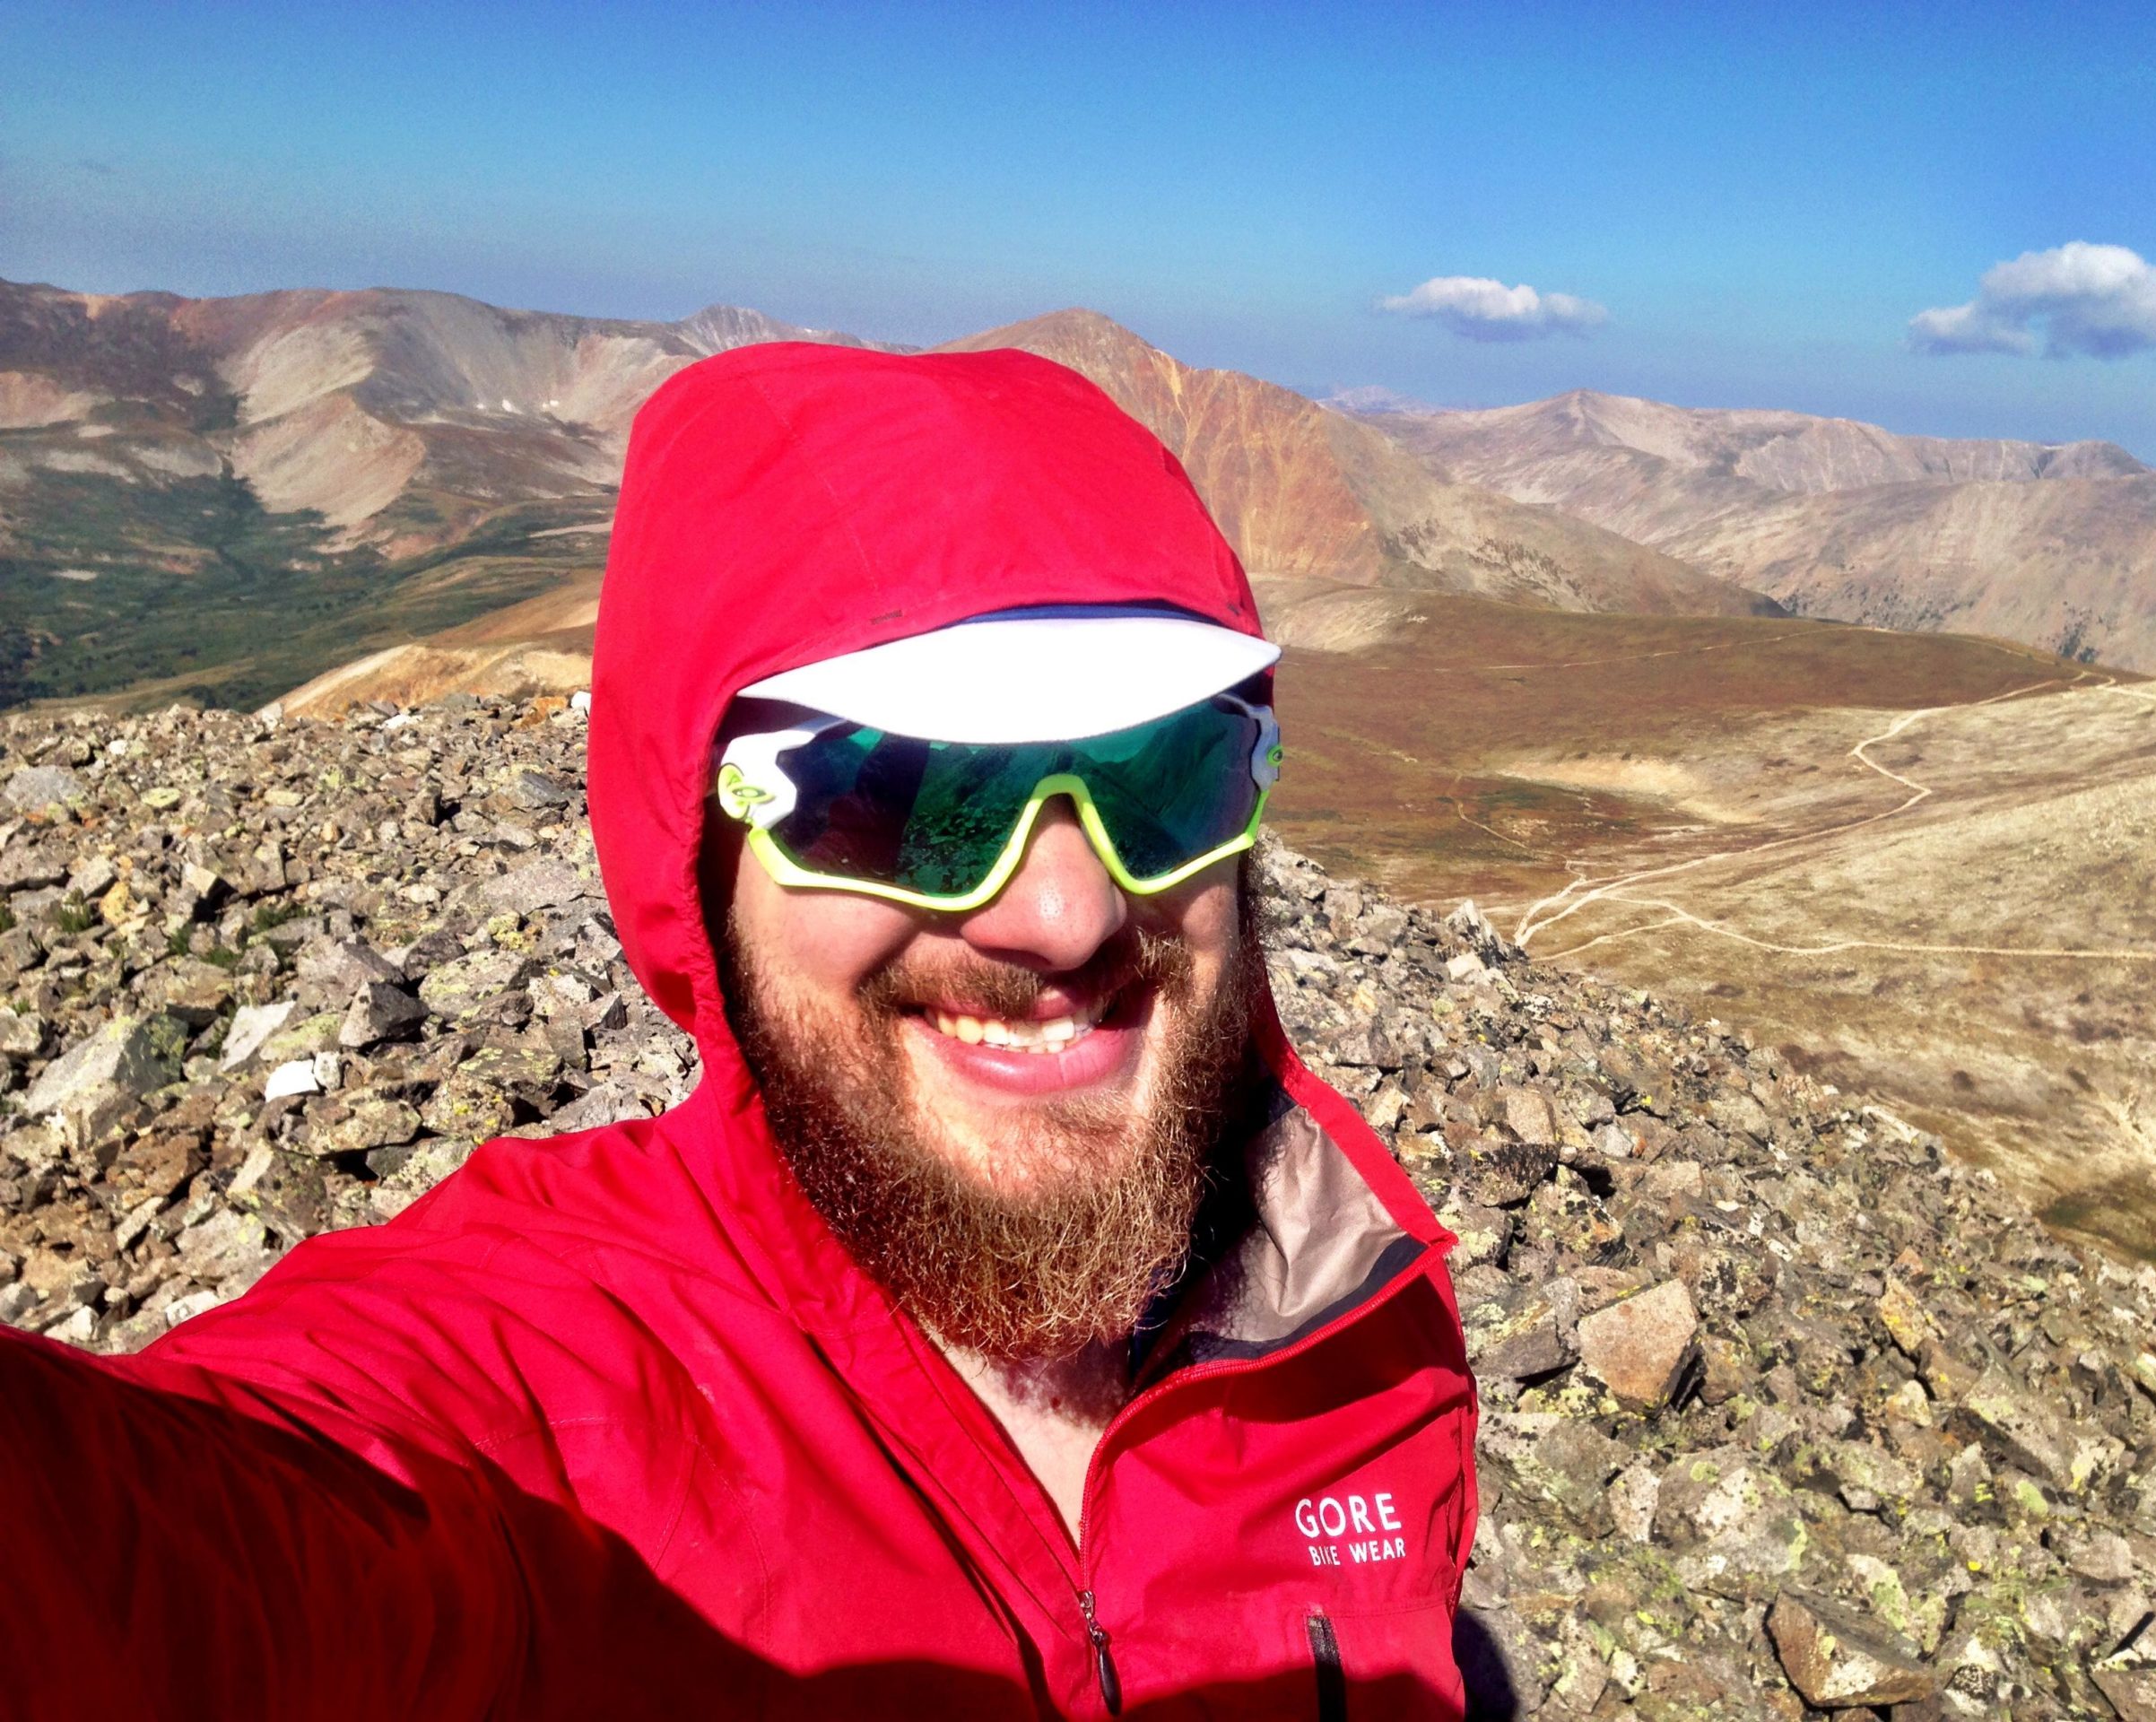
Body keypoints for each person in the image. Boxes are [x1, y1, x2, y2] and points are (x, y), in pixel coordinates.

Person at [0, 344, 1474, 1718]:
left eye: (1172, 774)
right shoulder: (545, 1389)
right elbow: (163, 1561)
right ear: (697, 858)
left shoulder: (1359, 1307)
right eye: (897, 798)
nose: (1068, 917)